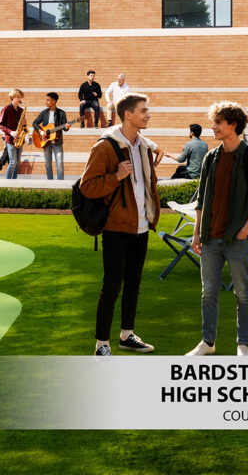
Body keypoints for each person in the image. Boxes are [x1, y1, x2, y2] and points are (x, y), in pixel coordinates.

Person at [80, 94, 164, 356]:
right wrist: (116, 176)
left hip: (141, 227)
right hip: (116, 228)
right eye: (143, 111)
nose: (148, 115)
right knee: (112, 286)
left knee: (133, 284)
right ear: (128, 114)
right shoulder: (105, 146)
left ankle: (127, 335)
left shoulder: (142, 145)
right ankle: (101, 344)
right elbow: (87, 186)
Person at [187, 101, 248, 358]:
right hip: (210, 238)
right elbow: (202, 199)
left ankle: (243, 344)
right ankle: (207, 342)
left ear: (233, 125)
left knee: (242, 293)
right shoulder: (210, 158)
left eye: (217, 123)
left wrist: (243, 233)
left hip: (237, 240)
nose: (212, 127)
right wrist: (197, 232)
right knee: (208, 293)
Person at [32, 92, 69, 180]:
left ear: (54, 101)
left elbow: (64, 128)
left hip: (57, 142)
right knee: (48, 163)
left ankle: (60, 184)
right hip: (45, 142)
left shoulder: (61, 113)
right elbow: (34, 123)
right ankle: (50, 182)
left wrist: (67, 127)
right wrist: (41, 131)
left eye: (48, 100)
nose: (46, 102)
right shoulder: (44, 113)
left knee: (59, 163)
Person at [0, 89, 25, 180]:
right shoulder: (6, 109)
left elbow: (23, 126)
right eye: (18, 97)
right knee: (13, 162)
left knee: (17, 162)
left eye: (20, 97)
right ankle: (7, 182)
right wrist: (11, 132)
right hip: (10, 139)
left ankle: (14, 182)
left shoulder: (21, 110)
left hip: (19, 139)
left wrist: (24, 124)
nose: (20, 99)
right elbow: (0, 125)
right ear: (12, 97)